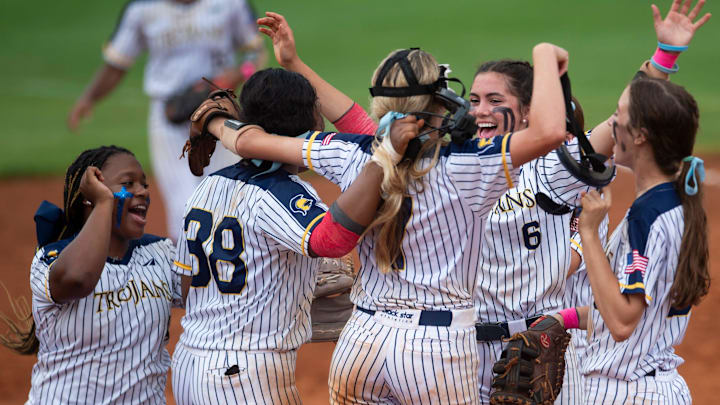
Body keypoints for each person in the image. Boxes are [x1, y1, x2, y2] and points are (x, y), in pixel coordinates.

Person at [214, 15, 571, 403]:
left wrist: (218, 119)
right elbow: (551, 132)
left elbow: (249, 143)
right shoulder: (468, 166)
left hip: (361, 341)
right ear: (437, 101)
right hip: (436, 351)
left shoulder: (350, 152)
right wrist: (545, 55)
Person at [170, 67, 420, 404]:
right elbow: (330, 240)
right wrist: (383, 159)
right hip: (244, 375)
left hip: (190, 362)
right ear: (312, 125)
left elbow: (187, 288)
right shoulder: (279, 193)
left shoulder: (207, 187)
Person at [67, 0, 268, 240]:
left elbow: (256, 51)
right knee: (181, 203)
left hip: (219, 113)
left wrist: (237, 74)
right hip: (169, 118)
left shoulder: (230, 4)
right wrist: (89, 98)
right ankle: (190, 272)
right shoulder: (142, 9)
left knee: (229, 194)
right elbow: (117, 63)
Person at [0, 145, 183, 404]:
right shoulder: (51, 258)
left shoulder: (160, 252)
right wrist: (105, 203)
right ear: (90, 196)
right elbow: (78, 279)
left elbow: (207, 291)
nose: (143, 191)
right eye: (128, 183)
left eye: (144, 184)